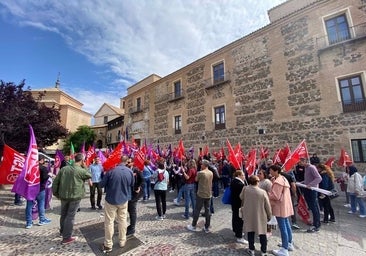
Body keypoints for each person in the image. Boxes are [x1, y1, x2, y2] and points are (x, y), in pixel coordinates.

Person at [52, 153, 92, 245]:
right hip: (75, 196)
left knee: (64, 214)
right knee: (70, 216)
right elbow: (89, 175)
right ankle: (66, 237)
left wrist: (56, 194)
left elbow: (55, 182)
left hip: (64, 196)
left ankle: (63, 232)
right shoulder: (81, 170)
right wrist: (85, 166)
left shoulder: (64, 169)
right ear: (82, 161)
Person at [100, 155, 134, 253]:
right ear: (127, 161)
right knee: (122, 220)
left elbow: (101, 184)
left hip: (111, 199)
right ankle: (122, 241)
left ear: (119, 161)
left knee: (109, 222)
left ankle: (108, 244)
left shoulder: (111, 171)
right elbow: (131, 184)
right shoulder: (130, 172)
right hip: (123, 199)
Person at [240, 175, 272, 256]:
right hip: (260, 215)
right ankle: (263, 251)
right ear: (257, 182)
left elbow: (241, 197)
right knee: (262, 233)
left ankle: (251, 249)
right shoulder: (262, 192)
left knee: (250, 232)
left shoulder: (245, 189)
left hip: (249, 214)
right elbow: (267, 205)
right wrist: (269, 215)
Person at [269, 165, 294, 256]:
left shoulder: (278, 182)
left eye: (271, 170)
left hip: (280, 207)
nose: (270, 172)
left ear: (276, 171)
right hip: (285, 206)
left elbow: (275, 196)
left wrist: (266, 193)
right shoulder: (282, 178)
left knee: (283, 227)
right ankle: (289, 243)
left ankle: (284, 249)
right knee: (287, 225)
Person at [187, 159, 213, 233]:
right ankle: (207, 227)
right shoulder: (211, 172)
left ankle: (193, 225)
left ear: (204, 165)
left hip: (201, 194)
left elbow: (196, 180)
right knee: (207, 210)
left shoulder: (201, 173)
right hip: (208, 193)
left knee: (197, 210)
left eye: (202, 164)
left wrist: (197, 173)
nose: (201, 165)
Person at [25, 155, 51, 229]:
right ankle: (42, 220)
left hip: (30, 189)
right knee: (41, 205)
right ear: (41, 160)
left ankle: (29, 223)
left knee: (29, 206)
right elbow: (45, 178)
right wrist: (49, 175)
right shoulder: (43, 168)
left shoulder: (29, 168)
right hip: (40, 189)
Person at [298, 157, 322, 233]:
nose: (299, 163)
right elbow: (308, 179)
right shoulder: (306, 168)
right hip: (307, 189)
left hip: (312, 190)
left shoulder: (311, 167)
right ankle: (316, 222)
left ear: (305, 161)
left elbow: (318, 178)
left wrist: (311, 185)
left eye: (301, 162)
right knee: (312, 207)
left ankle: (316, 224)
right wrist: (302, 183)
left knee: (314, 207)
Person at [126, 158, 145, 236]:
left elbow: (142, 180)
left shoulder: (136, 170)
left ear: (133, 163)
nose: (127, 163)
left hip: (135, 194)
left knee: (132, 210)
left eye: (129, 162)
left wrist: (138, 187)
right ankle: (131, 225)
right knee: (129, 209)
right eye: (127, 162)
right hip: (128, 193)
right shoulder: (126, 170)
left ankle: (132, 227)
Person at [230, 170, 248, 244]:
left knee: (235, 217)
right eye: (243, 175)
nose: (244, 176)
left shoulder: (234, 181)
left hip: (234, 203)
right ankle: (239, 236)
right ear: (239, 175)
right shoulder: (240, 184)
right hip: (239, 204)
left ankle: (235, 230)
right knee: (239, 219)